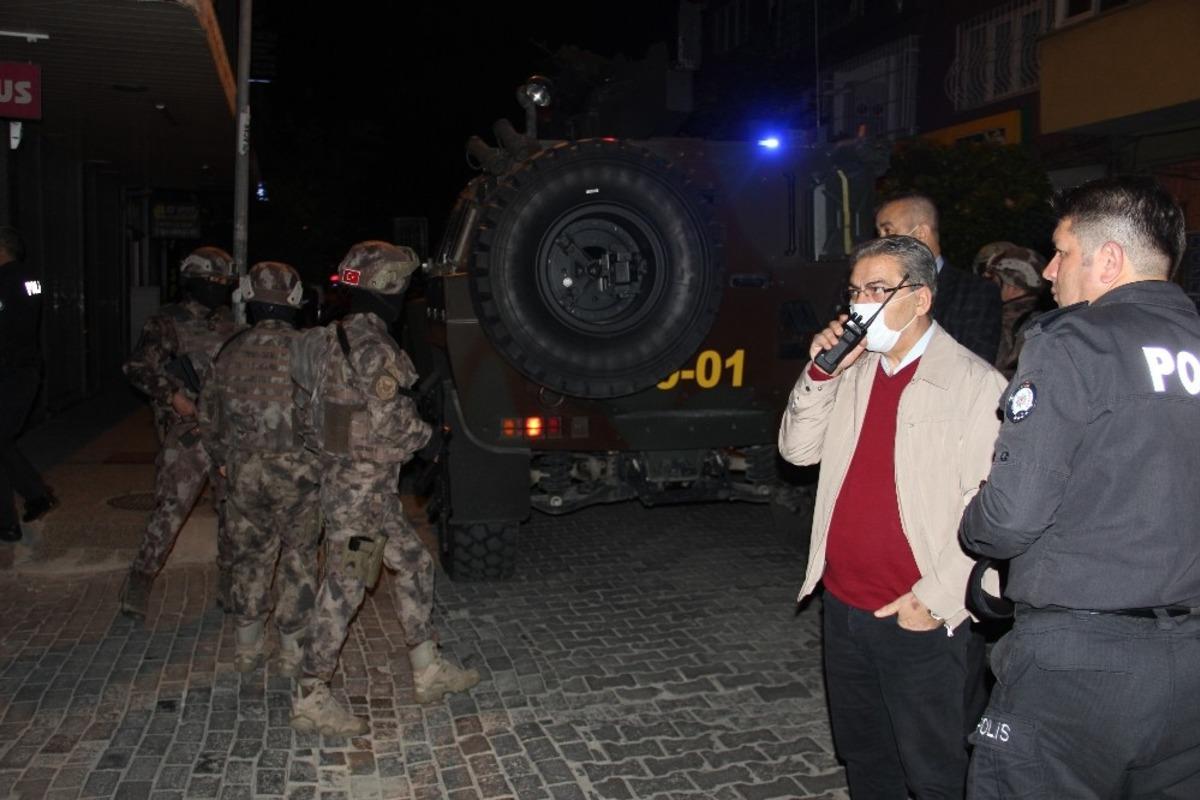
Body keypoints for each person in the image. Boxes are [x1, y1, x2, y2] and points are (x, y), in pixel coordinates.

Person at [959, 176, 1200, 797]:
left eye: (1063, 252)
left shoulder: (1076, 343)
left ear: (1110, 259)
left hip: (1080, 664)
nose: (1049, 272)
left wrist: (973, 522)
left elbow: (1012, 515)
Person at [779, 235, 1007, 799]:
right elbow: (797, 451)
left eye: (878, 289)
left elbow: (995, 514)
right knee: (867, 759)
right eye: (855, 290)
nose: (860, 303)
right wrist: (820, 373)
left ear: (921, 298)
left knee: (933, 769)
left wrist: (934, 600)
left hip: (921, 617)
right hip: (844, 606)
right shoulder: (852, 372)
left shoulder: (975, 385)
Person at [289, 241, 478, 736]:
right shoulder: (374, 347)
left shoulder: (334, 336)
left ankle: (427, 668)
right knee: (348, 584)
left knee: (414, 564)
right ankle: (310, 693)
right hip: (361, 496)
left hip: (360, 488)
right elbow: (393, 424)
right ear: (388, 288)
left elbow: (316, 416)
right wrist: (432, 441)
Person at [198, 261, 319, 676]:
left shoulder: (230, 349)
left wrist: (223, 461)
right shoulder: (309, 348)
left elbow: (208, 416)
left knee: (250, 558)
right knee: (299, 559)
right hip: (299, 477)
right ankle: (291, 650)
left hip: (245, 474)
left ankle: (247, 648)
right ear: (295, 299)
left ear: (248, 296)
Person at [119, 246, 242, 621]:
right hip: (185, 435)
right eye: (212, 282)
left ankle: (229, 581)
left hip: (224, 433)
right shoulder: (166, 323)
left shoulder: (228, 325)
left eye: (224, 282)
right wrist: (174, 396)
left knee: (232, 512)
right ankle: (139, 581)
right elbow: (136, 367)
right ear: (194, 283)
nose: (218, 288)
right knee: (170, 511)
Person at [876, 192, 1002, 362]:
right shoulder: (877, 292)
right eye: (879, 233)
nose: (880, 243)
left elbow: (974, 364)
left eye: (888, 231)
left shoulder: (976, 292)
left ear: (920, 233)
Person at [0, 227, 57, 542]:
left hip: (11, 372)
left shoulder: (8, 280)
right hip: (24, 370)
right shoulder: (29, 278)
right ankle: (36, 496)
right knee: (2, 441)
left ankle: (7, 522)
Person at [972, 241, 1049, 377]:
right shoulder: (1043, 322)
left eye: (994, 279)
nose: (988, 286)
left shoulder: (1004, 322)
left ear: (1011, 286)